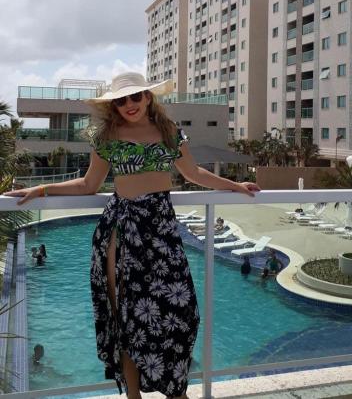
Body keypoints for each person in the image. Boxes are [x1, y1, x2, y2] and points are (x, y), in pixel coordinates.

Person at [4, 72, 260, 399]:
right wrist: (41, 190)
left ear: (148, 97)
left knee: (181, 312)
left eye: (135, 96)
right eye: (121, 100)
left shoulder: (170, 132)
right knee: (125, 318)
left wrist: (236, 186)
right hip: (121, 230)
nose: (129, 104)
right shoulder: (106, 136)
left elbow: (193, 173)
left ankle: (175, 390)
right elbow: (88, 185)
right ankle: (133, 396)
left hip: (162, 230)